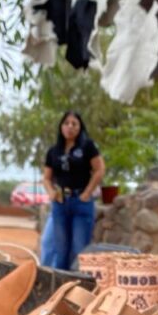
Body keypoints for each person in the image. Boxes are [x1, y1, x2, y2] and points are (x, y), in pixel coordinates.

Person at [42, 110, 105, 270]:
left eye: (74, 124)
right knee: (60, 249)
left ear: (80, 127)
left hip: (81, 202)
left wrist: (87, 193)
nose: (70, 127)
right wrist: (51, 192)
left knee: (79, 249)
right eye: (66, 123)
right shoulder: (53, 151)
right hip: (60, 203)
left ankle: (78, 283)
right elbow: (46, 178)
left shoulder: (87, 146)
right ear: (61, 126)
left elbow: (99, 170)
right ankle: (60, 283)